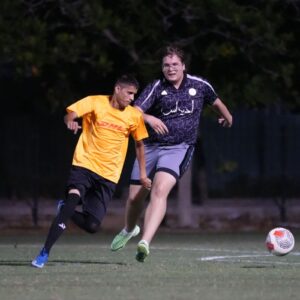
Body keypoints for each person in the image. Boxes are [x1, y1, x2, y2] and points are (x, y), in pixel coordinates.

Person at [110, 45, 233, 262]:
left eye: (175, 64)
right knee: (135, 198)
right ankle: (129, 229)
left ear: (183, 66)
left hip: (179, 147)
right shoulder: (157, 87)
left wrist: (227, 117)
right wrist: (150, 118)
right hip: (149, 147)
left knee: (159, 190)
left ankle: (145, 242)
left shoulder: (200, 85)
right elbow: (133, 112)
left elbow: (218, 103)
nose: (170, 68)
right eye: (166, 65)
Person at [31, 74, 151, 268]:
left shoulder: (134, 116)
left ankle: (64, 209)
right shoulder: (95, 102)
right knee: (73, 199)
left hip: (109, 175)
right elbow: (70, 114)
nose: (132, 98)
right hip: (84, 165)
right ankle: (44, 253)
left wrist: (143, 174)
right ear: (117, 89)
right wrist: (70, 121)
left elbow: (139, 145)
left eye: (134, 95)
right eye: (129, 93)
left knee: (92, 226)